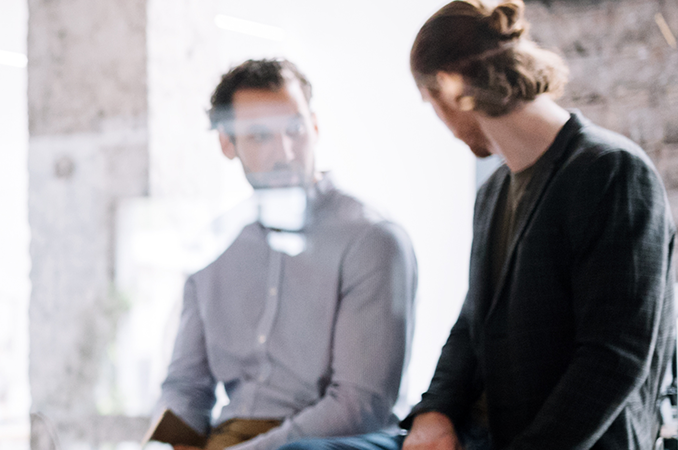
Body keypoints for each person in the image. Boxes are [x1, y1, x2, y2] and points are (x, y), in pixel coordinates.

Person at [294, 1, 677, 449]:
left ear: (451, 88)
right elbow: (471, 325)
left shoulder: (613, 172)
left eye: (431, 101)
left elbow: (613, 359)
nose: (441, 123)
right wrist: (434, 413)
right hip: (480, 434)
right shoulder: (493, 190)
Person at [156, 59, 418, 450]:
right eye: (259, 136)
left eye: (294, 130)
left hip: (327, 444)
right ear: (227, 144)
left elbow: (359, 405)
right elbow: (185, 386)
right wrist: (169, 447)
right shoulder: (215, 248)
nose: (285, 152)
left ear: (314, 127)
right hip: (228, 438)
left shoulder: (372, 239)